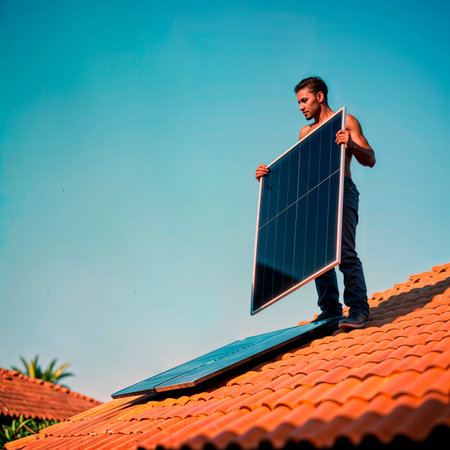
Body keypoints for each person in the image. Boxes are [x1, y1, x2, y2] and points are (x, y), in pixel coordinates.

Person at [255, 76, 375, 330]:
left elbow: (370, 158)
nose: (301, 107)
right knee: (317, 257)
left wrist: (350, 143)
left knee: (343, 251)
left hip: (342, 190)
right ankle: (330, 309)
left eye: (304, 100)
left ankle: (359, 310)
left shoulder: (346, 121)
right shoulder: (305, 133)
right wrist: (269, 176)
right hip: (316, 196)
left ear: (319, 97)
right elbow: (300, 171)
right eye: (299, 102)